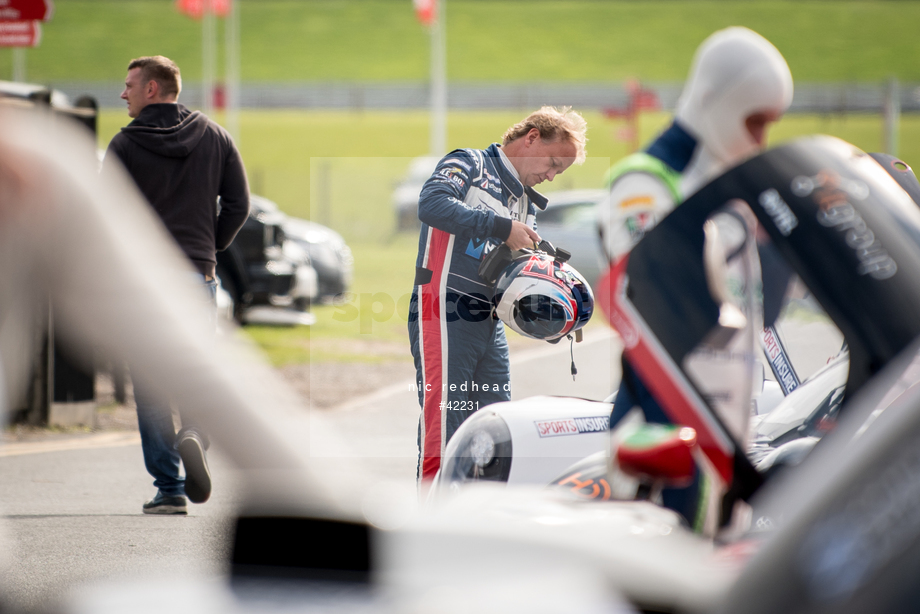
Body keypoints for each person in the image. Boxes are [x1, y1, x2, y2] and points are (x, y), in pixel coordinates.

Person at [597, 27, 793, 528]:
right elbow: (661, 306)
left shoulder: (737, 197)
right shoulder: (643, 182)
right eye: (755, 122)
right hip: (660, 441)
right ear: (714, 99)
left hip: (725, 433)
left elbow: (764, 313)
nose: (760, 141)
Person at [104, 56, 250, 514]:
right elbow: (239, 204)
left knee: (150, 387)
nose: (123, 93)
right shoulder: (216, 136)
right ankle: (195, 436)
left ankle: (168, 489)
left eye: (129, 85)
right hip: (195, 275)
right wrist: (210, 247)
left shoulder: (125, 145)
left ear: (152, 89)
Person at [409, 106, 588, 482]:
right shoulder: (469, 163)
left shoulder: (524, 198)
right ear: (532, 137)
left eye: (560, 171)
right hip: (444, 311)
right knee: (446, 433)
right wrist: (501, 226)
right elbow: (430, 204)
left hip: (489, 325)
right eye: (553, 162)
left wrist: (551, 304)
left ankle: (478, 531)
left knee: (493, 439)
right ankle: (434, 531)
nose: (552, 176)